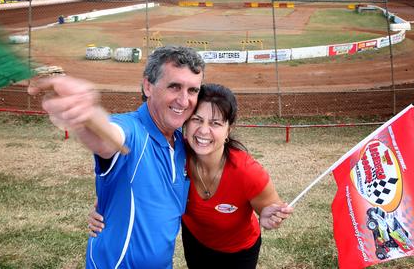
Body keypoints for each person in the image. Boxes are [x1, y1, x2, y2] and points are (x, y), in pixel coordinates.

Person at [29, 45, 205, 269]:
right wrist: (87, 114)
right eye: (174, 86)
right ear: (148, 86)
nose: (184, 100)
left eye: (193, 90)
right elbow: (109, 138)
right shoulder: (132, 130)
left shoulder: (182, 144)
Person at [89, 83, 294, 268]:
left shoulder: (248, 172)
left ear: (228, 130)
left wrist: (269, 217)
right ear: (186, 123)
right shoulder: (174, 153)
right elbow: (133, 178)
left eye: (215, 123)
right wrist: (105, 209)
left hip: (239, 252)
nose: (203, 131)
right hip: (195, 242)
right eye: (197, 119)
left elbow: (270, 210)